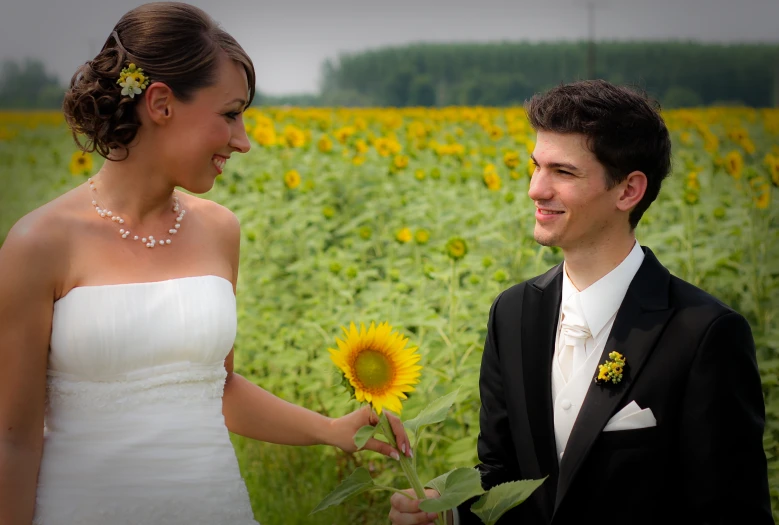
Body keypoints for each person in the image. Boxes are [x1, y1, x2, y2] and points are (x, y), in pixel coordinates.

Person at [0, 3, 412, 524]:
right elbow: (11, 442)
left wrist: (331, 429)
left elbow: (214, 387)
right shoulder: (39, 244)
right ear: (160, 103)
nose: (243, 141)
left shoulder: (220, 230)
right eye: (230, 114)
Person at [389, 80, 772, 525]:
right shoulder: (512, 313)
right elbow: (503, 475)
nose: (536, 189)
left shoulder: (704, 333)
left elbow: (732, 513)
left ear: (628, 191)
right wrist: (446, 512)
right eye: (536, 167)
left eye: (563, 172)